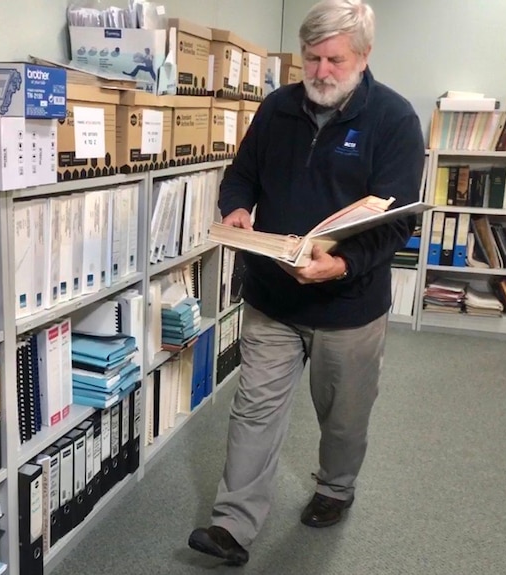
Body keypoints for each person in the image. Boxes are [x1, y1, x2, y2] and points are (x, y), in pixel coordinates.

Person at [187, 0, 425, 566]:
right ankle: (232, 526)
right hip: (274, 297)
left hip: (349, 305)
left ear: (364, 56)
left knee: (344, 417)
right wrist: (238, 207)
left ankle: (335, 488)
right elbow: (241, 173)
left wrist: (341, 266)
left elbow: (399, 220)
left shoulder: (394, 119)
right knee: (254, 409)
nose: (319, 71)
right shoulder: (276, 109)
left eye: (333, 59)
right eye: (311, 58)